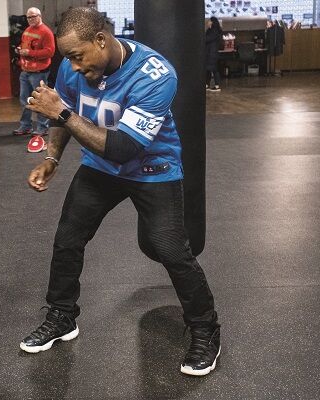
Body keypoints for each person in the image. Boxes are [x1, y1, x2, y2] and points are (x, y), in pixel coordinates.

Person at [20, 7, 221, 377]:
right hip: (100, 169)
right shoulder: (71, 66)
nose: (75, 68)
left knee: (172, 250)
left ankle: (206, 329)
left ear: (101, 40)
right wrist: (52, 158)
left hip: (151, 168)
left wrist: (62, 113)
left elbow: (123, 147)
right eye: (69, 60)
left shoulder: (155, 75)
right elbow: (64, 114)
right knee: (67, 238)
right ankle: (62, 315)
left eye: (79, 57)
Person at [12, 7, 55, 143]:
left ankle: (43, 127)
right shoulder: (28, 30)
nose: (30, 20)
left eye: (33, 17)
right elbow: (25, 45)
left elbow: (50, 52)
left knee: (40, 100)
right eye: (28, 17)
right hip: (25, 71)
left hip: (39, 72)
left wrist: (29, 53)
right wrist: (20, 50)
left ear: (39, 16)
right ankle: (26, 126)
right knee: (24, 100)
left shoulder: (46, 32)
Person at [205, 16, 223, 92]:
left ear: (212, 22)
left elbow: (207, 39)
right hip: (210, 53)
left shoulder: (214, 31)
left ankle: (217, 86)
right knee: (208, 70)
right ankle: (207, 84)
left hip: (212, 54)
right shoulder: (211, 30)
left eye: (209, 21)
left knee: (214, 70)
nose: (207, 22)